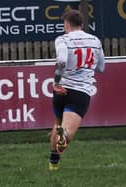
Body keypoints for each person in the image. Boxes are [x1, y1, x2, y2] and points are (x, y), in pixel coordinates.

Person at [49, 9, 105, 170]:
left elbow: (61, 60)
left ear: (66, 25)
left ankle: (53, 163)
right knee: (68, 131)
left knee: (58, 123)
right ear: (81, 25)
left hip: (61, 89)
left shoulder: (62, 40)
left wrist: (57, 82)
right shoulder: (95, 41)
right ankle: (64, 137)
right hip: (81, 91)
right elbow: (101, 68)